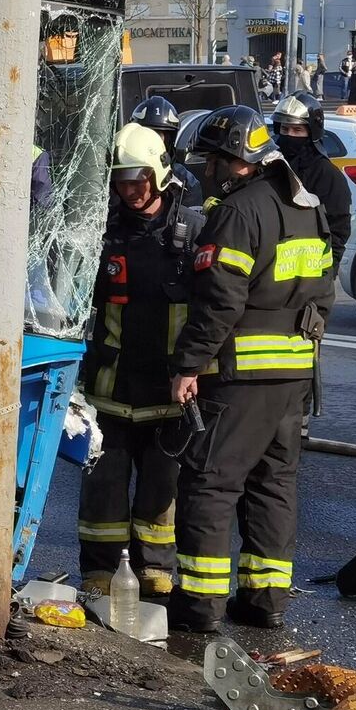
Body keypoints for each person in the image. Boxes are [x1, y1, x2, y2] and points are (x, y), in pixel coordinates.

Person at [167, 105, 333, 633]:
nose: (205, 170)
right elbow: (324, 292)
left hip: (241, 374)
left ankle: (201, 604)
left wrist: (189, 364)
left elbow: (219, 300)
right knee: (273, 485)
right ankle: (265, 600)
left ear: (236, 161)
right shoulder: (307, 206)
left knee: (211, 483)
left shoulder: (240, 212)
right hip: (294, 374)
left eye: (212, 160)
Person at [79, 124, 205, 598]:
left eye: (138, 180)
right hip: (110, 386)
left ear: (158, 174)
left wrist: (195, 371)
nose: (129, 190)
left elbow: (214, 308)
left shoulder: (192, 232)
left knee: (160, 488)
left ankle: (155, 570)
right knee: (103, 485)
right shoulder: (102, 232)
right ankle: (98, 570)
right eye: (120, 181)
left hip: (167, 390)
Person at [269, 92, 353, 268]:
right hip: (271, 272)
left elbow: (338, 230)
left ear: (311, 132)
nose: (289, 135)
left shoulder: (327, 175)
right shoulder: (270, 166)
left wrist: (325, 273)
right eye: (284, 129)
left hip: (310, 276)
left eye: (297, 130)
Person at [128, 95, 202, 201]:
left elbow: (192, 216)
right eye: (147, 135)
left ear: (169, 141)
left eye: (158, 136)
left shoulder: (185, 183)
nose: (152, 143)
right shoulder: (118, 174)